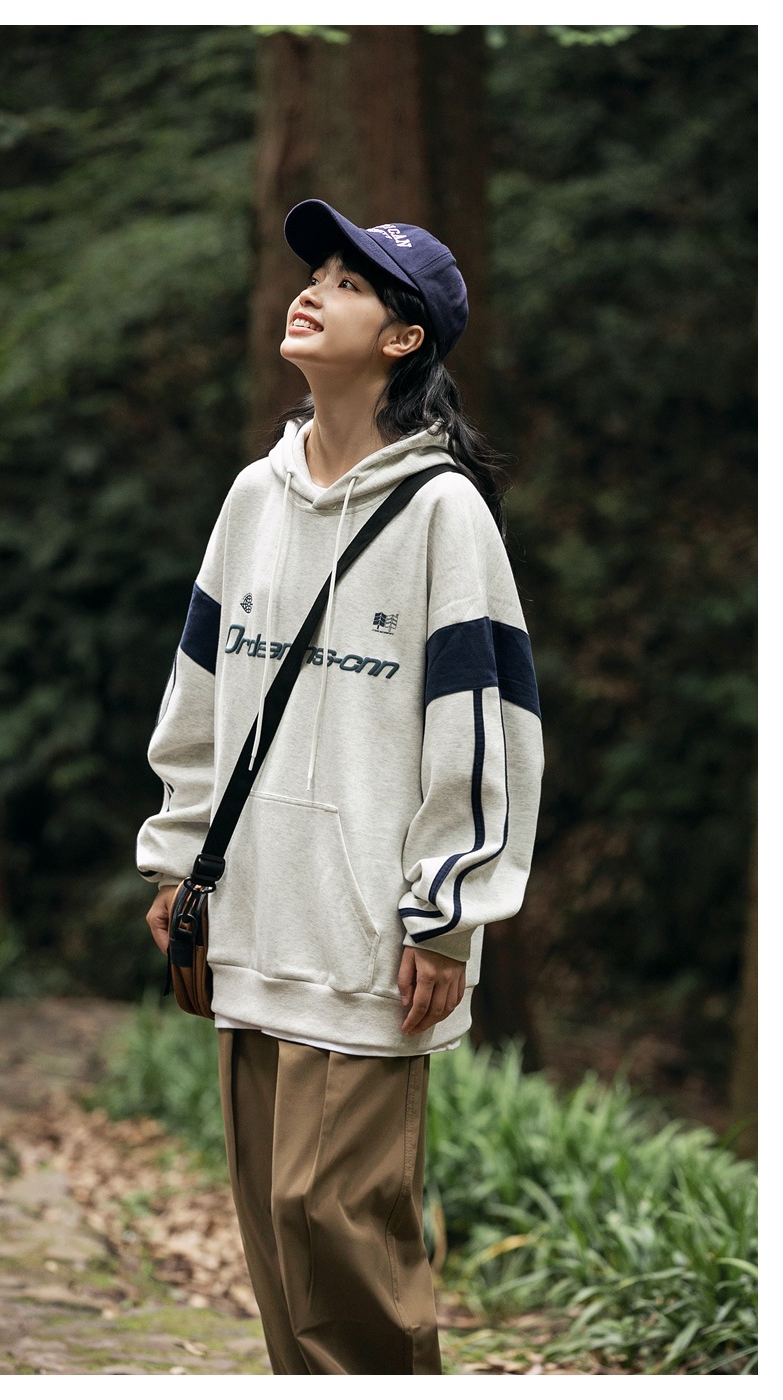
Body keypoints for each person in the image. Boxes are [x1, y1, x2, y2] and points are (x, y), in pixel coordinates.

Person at [137, 198, 544, 1376]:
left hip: (372, 940)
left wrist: (446, 913)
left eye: (349, 283)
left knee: (340, 1233)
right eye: (313, 272)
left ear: (403, 337)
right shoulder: (251, 498)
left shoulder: (443, 512)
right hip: (253, 920)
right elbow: (200, 697)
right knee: (278, 1240)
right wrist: (178, 857)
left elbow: (486, 728)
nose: (312, 291)